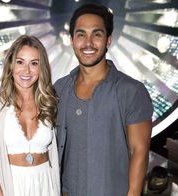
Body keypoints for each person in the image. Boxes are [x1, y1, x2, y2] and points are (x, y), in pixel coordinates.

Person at [54, 3, 153, 196]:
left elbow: (139, 152)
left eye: (96, 34)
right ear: (72, 40)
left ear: (108, 41)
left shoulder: (131, 91)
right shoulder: (60, 88)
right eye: (81, 34)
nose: (88, 43)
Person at [0, 35, 60, 196]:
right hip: (8, 186)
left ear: (41, 68)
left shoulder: (49, 102)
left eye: (34, 63)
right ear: (10, 64)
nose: (27, 70)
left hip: (45, 185)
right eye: (20, 62)